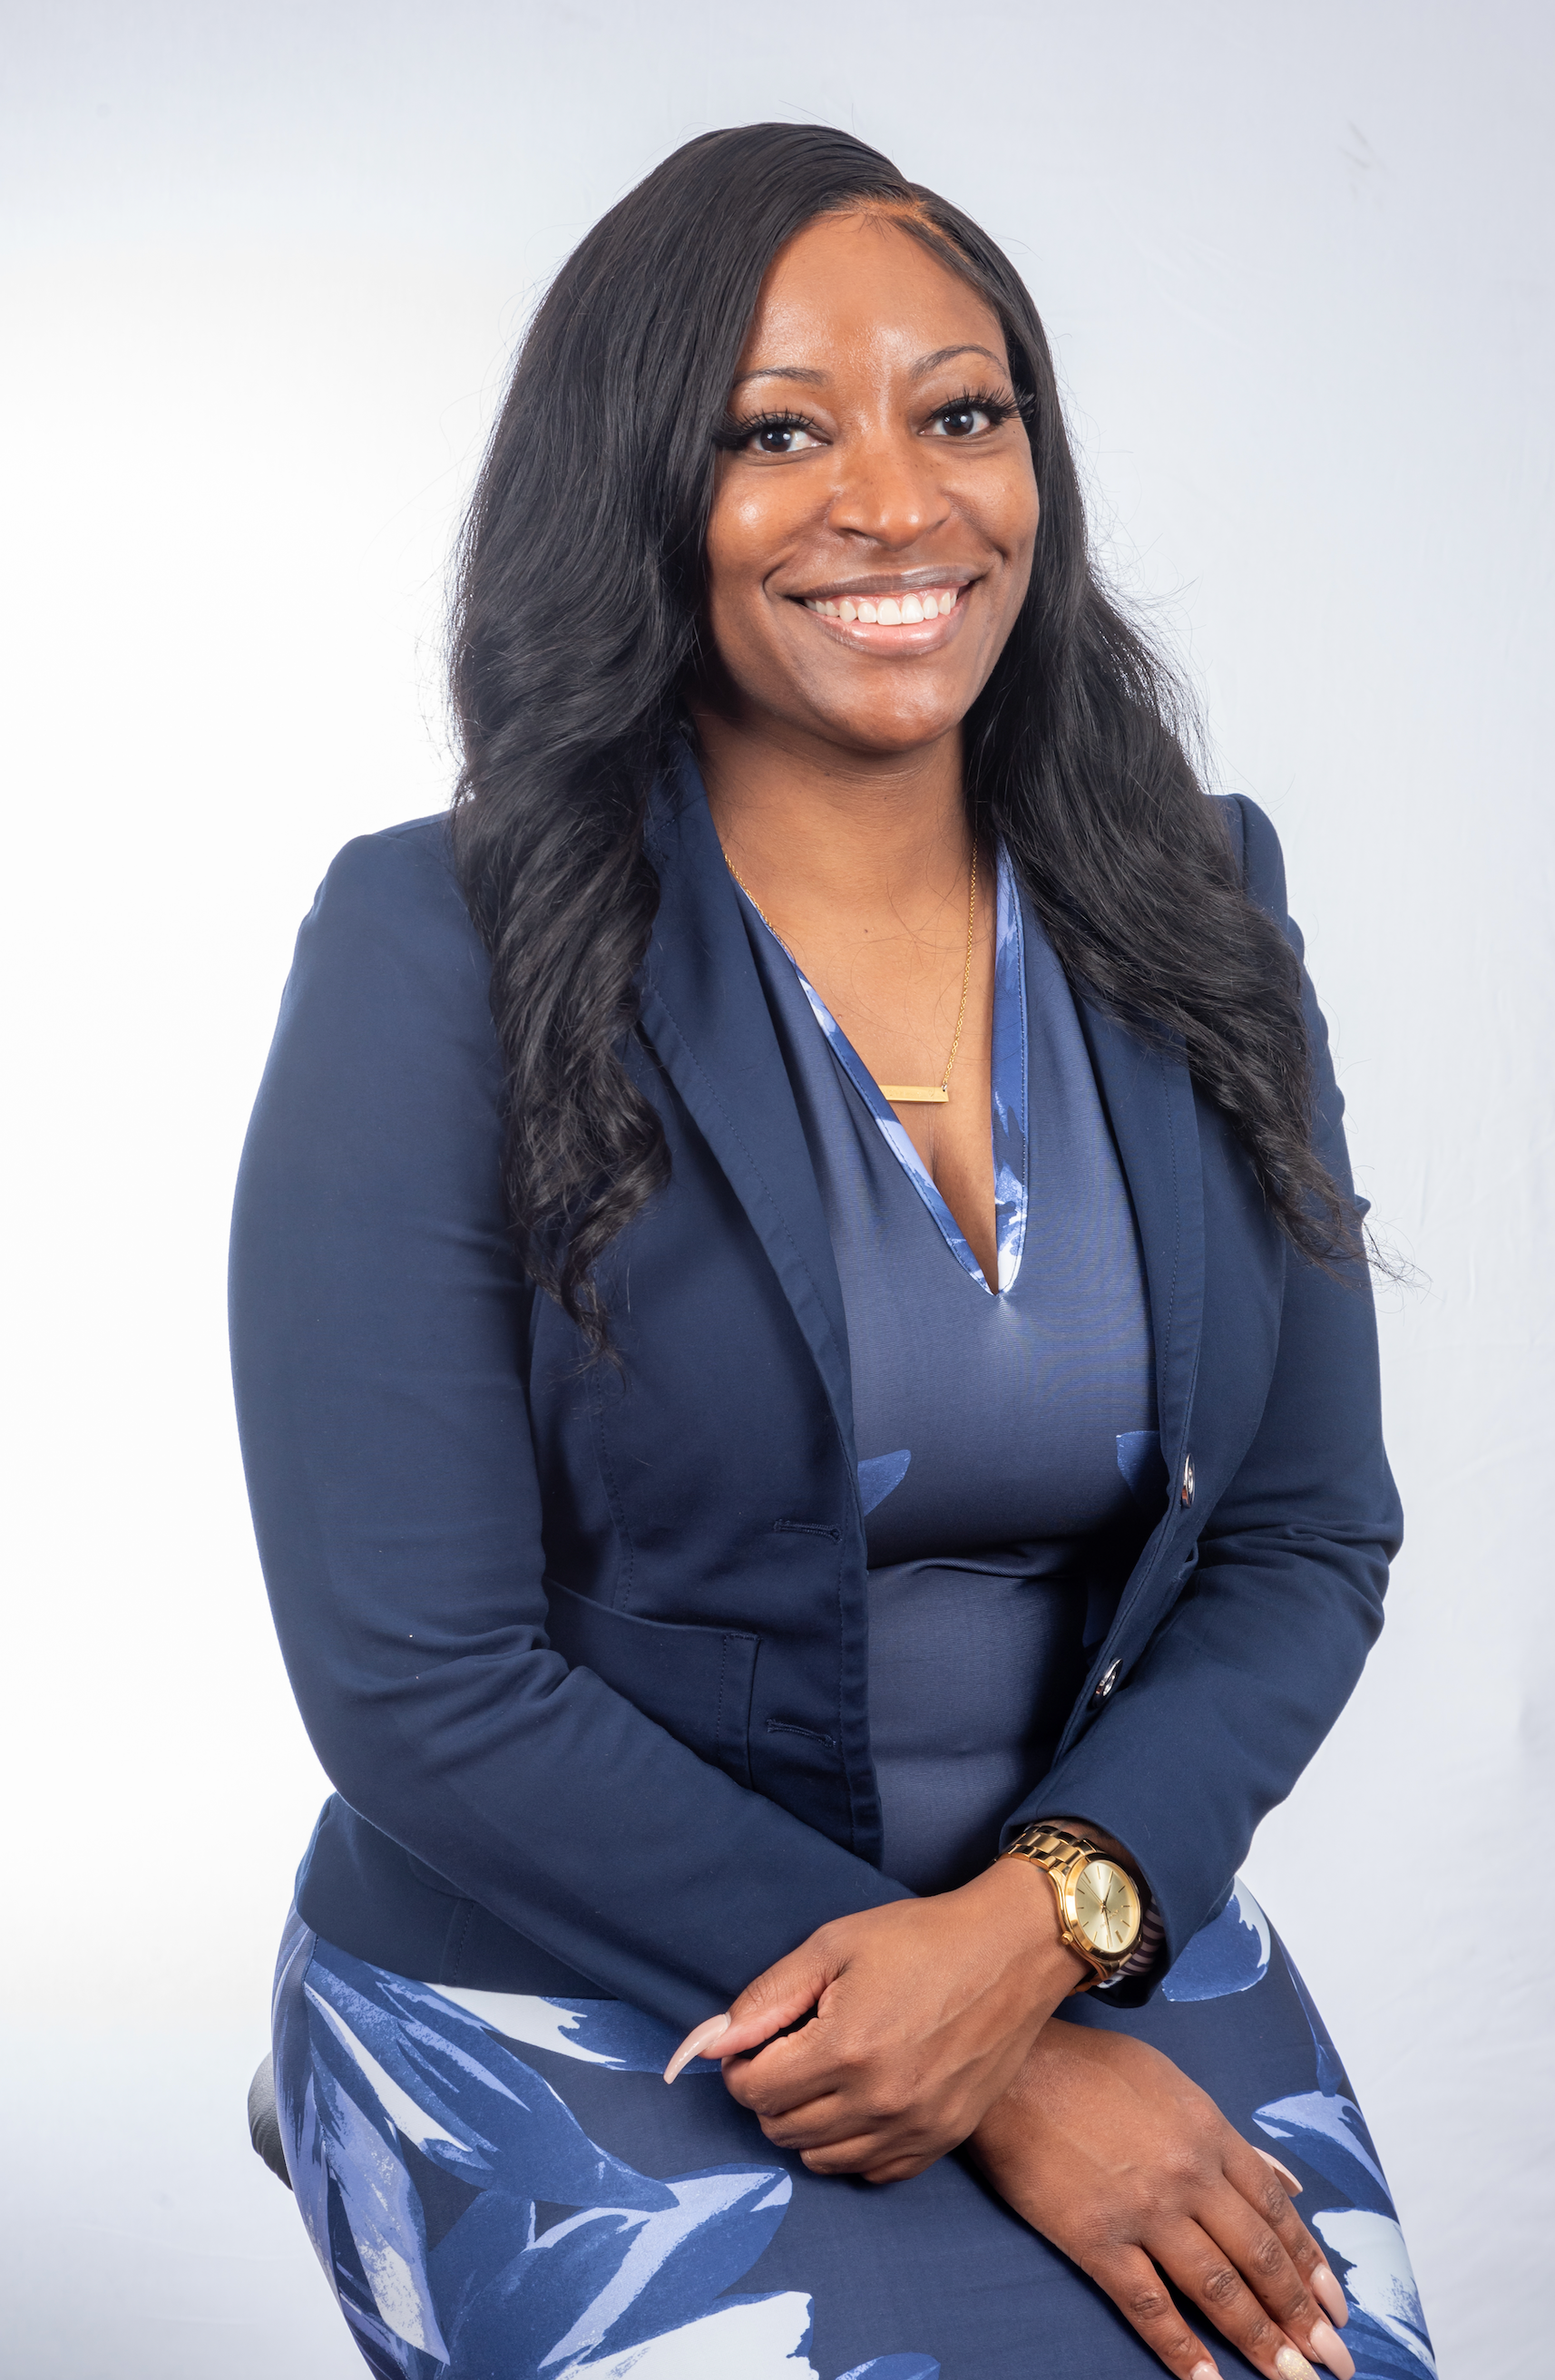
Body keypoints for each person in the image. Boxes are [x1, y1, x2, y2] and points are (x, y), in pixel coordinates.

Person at [230, 122, 1433, 2380]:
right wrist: (1004, 2060)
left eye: (958, 413)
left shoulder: (1194, 904)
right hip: (587, 1963)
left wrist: (1030, 1945)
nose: (894, 503)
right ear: (637, 489)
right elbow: (417, 1676)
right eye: (775, 433)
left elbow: (1303, 1534)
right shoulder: (436, 944)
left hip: (1088, 1915)